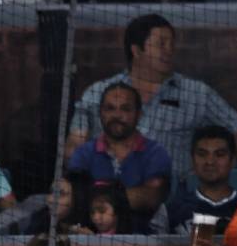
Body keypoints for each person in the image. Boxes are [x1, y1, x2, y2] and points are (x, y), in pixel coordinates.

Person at [65, 14, 237, 183]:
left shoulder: (196, 93)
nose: (169, 50)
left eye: (171, 44)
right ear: (137, 51)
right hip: (108, 194)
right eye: (161, 44)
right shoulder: (98, 93)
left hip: (174, 196)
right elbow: (75, 143)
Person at [66, 83, 173, 234]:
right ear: (100, 112)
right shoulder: (83, 153)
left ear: (139, 114)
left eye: (125, 109)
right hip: (91, 240)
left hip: (143, 240)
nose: (117, 115)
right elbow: (75, 200)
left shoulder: (156, 153)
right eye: (110, 108)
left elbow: (151, 197)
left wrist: (96, 198)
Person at [161, 125, 237, 235]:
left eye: (219, 154)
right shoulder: (172, 210)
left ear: (232, 160)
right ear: (192, 160)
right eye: (202, 154)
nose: (210, 161)